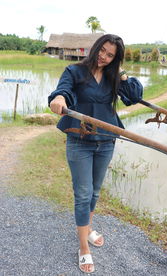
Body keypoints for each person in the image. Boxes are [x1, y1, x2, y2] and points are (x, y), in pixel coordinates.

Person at [48, 34, 143, 273]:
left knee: (95, 191)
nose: (104, 57)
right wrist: (58, 99)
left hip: (106, 140)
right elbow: (64, 91)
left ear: (115, 59)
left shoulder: (113, 77)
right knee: (83, 194)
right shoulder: (75, 71)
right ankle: (83, 247)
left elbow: (133, 96)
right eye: (102, 51)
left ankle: (87, 227)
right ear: (95, 47)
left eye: (110, 55)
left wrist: (120, 71)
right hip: (80, 139)